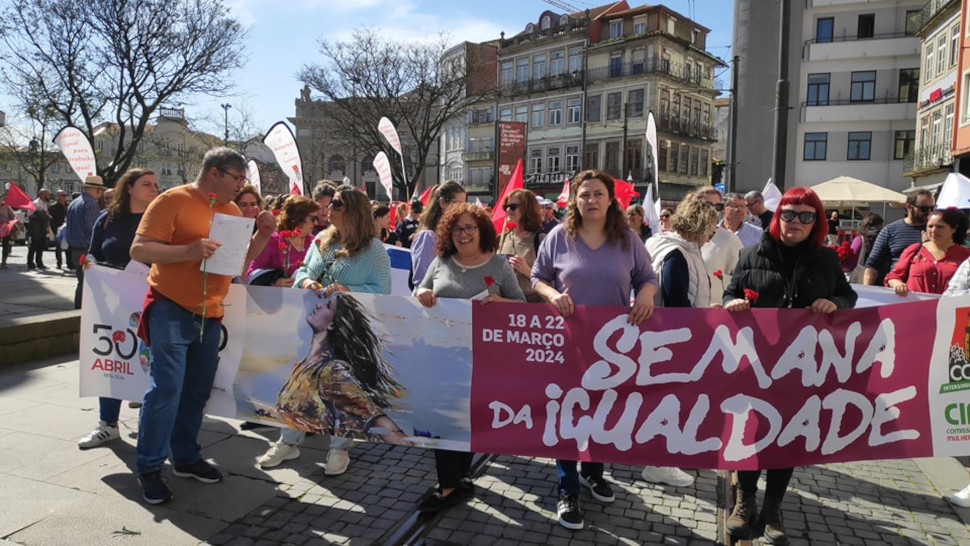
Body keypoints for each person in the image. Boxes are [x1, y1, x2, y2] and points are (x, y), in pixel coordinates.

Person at [129, 147, 276, 504]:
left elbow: (235, 263)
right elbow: (139, 249)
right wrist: (188, 251)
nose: (241, 186)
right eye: (237, 178)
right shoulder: (172, 200)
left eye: (243, 180)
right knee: (165, 389)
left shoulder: (230, 211)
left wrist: (262, 236)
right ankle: (149, 466)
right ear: (214, 172)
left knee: (196, 392)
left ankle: (185, 457)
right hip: (171, 308)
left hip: (210, 314)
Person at [723, 186, 857, 544]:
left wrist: (835, 303)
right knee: (750, 434)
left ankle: (773, 508)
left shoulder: (827, 261)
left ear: (817, 223)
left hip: (803, 368)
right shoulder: (751, 254)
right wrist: (732, 303)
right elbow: (730, 292)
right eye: (788, 213)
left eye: (805, 215)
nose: (794, 221)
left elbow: (849, 296)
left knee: (789, 435)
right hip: (755, 364)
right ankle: (744, 500)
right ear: (776, 215)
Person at [532, 170, 658, 531]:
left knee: (605, 412)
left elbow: (647, 277)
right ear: (574, 200)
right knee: (568, 416)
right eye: (584, 194)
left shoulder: (628, 239)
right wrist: (553, 295)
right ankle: (567, 486)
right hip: (568, 344)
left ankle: (594, 472)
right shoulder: (558, 236)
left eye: (598, 194)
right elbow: (538, 277)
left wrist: (647, 294)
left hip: (614, 346)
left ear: (610, 199)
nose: (591, 200)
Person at [257, 185, 391, 474]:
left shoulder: (374, 250)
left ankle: (339, 448)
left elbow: (383, 290)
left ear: (354, 210)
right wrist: (305, 281)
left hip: (347, 329)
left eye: (338, 204)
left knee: (340, 388)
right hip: (313, 324)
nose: (329, 208)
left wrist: (348, 289)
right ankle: (288, 441)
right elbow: (304, 269)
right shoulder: (322, 240)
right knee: (299, 383)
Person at [415, 202, 525, 513]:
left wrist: (500, 301)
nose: (463, 234)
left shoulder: (499, 267)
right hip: (443, 357)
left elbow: (519, 304)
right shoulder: (440, 262)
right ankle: (449, 486)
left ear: (482, 231)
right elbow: (418, 293)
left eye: (469, 228)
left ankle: (459, 477)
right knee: (443, 418)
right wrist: (421, 295)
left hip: (485, 360)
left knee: (469, 420)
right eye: (457, 229)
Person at [77, 168, 160, 450]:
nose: (154, 189)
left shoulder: (161, 219)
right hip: (112, 304)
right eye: (147, 184)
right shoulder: (108, 218)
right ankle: (107, 424)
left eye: (156, 184)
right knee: (113, 362)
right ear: (129, 188)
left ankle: (151, 428)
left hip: (151, 303)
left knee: (148, 364)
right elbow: (94, 251)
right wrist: (89, 262)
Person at [641, 197, 718, 489]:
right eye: (711, 227)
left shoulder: (671, 246)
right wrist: (706, 314)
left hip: (668, 339)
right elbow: (675, 303)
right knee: (670, 401)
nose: (713, 233)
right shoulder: (677, 253)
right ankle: (660, 462)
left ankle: (671, 455)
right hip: (673, 341)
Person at [274, 295, 408, 451]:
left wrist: (410, 443)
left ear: (332, 325)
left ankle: (338, 452)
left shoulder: (331, 371)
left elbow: (374, 416)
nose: (319, 305)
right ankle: (288, 445)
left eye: (328, 306)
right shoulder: (300, 365)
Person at [884, 208, 970, 297]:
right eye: (930, 226)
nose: (934, 230)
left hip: (948, 309)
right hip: (914, 308)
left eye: (940, 226)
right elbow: (893, 276)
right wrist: (897, 284)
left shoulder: (966, 256)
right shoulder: (914, 250)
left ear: (954, 229)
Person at [863, 190, 935, 286]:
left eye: (932, 208)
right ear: (909, 207)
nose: (929, 212)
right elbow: (872, 265)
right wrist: (867, 292)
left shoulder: (936, 230)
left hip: (926, 289)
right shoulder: (890, 230)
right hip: (895, 289)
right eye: (924, 209)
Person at [245, 195, 319, 287]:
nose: (316, 223)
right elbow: (251, 274)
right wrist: (274, 282)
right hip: (275, 298)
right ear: (299, 217)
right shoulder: (272, 240)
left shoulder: (314, 241)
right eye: (313, 219)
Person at [411, 181, 466, 288]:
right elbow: (422, 280)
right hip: (433, 301)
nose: (462, 209)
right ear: (442, 202)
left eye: (464, 205)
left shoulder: (455, 235)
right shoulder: (427, 237)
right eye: (458, 204)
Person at [696, 187, 743, 307]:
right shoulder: (684, 239)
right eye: (707, 205)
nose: (712, 211)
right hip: (685, 310)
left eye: (718, 207)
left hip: (717, 315)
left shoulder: (730, 239)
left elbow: (741, 279)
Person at [67, 176, 107, 308]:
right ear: (98, 190)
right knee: (89, 284)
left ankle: (78, 311)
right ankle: (83, 313)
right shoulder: (91, 203)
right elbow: (93, 229)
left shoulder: (74, 202)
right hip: (87, 250)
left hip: (75, 249)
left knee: (82, 283)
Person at [499, 189, 546, 302]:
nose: (508, 210)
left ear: (527, 208)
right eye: (506, 206)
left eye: (513, 206)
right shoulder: (503, 238)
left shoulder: (541, 240)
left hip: (533, 307)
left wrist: (527, 271)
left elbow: (553, 283)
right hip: (505, 304)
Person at [848, 212, 883, 283]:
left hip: (861, 279)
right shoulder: (883, 238)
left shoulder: (859, 240)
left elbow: (851, 262)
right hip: (878, 277)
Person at [26, 188, 51, 269]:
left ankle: (39, 262)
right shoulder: (35, 203)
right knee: (33, 246)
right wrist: (40, 216)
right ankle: (30, 263)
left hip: (43, 227)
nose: (48, 196)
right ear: (42, 194)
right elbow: (29, 214)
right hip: (35, 228)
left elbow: (46, 215)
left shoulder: (45, 203)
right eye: (47, 194)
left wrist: (47, 226)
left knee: (41, 246)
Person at [49, 190, 69, 269]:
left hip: (67, 229)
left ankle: (69, 263)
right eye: (63, 195)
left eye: (65, 195)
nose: (65, 197)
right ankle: (59, 263)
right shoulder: (53, 207)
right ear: (58, 196)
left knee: (68, 247)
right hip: (58, 229)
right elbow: (52, 220)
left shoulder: (68, 206)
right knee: (58, 247)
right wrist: (55, 230)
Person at [0, 193, 16, 268]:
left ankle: (4, 262)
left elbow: (13, 216)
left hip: (5, 228)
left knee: (5, 245)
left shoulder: (6, 207)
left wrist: (15, 221)